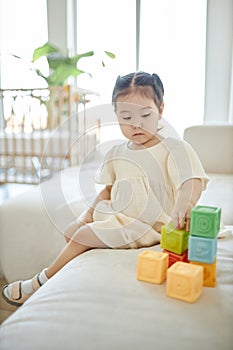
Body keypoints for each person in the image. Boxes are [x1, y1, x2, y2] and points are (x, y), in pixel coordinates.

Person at [2, 71, 209, 306]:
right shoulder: (117, 152)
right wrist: (85, 217)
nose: (136, 124)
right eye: (126, 117)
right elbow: (108, 191)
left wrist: (183, 208)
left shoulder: (174, 148)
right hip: (119, 216)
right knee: (73, 231)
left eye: (145, 114)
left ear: (160, 110)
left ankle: (40, 281)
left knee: (82, 236)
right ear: (116, 116)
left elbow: (191, 181)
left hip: (149, 224)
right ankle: (66, 277)